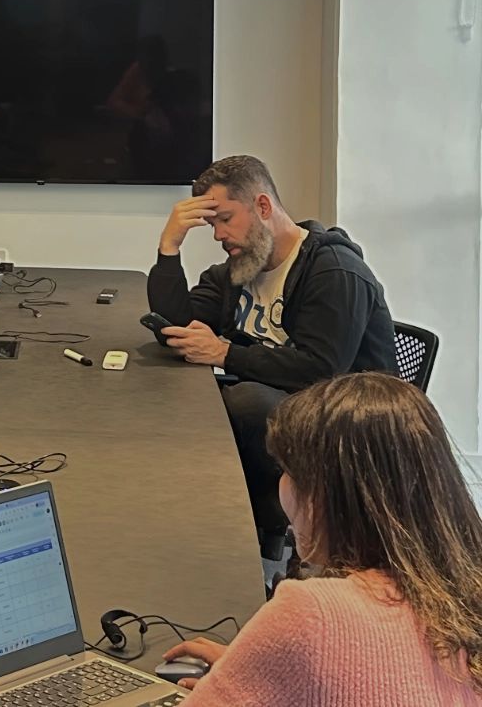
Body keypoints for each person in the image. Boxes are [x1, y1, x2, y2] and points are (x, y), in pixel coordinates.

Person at [161, 372, 482, 705]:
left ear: (321, 496)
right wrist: (262, 667)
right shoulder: (465, 600)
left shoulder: (311, 615)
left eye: (287, 471)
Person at [147, 155, 397, 547]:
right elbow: (175, 328)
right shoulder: (241, 269)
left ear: (263, 207)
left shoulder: (334, 271)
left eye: (225, 219)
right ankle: (205, 522)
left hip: (344, 419)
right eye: (212, 224)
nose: (217, 235)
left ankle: (263, 537)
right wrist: (169, 248)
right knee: (191, 396)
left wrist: (225, 354)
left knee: (245, 401)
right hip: (275, 402)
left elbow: (321, 369)